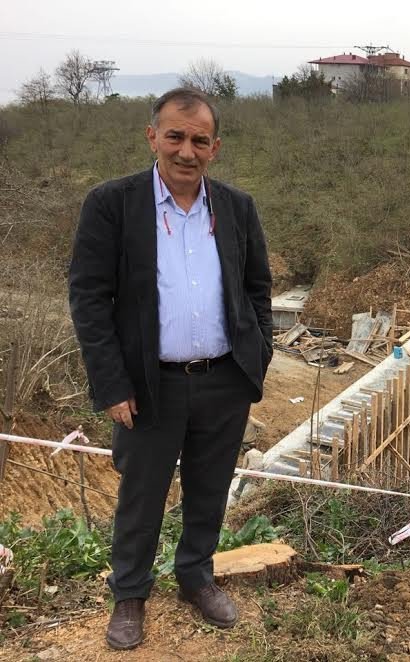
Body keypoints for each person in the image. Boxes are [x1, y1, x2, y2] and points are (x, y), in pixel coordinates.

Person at [68, 88, 273, 651]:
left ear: (216, 148)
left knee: (210, 488)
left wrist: (257, 356)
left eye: (200, 140)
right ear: (152, 136)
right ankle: (130, 592)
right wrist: (112, 383)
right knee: (142, 493)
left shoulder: (235, 207)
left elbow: (257, 288)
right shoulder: (113, 204)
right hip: (147, 384)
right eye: (176, 136)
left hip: (223, 378)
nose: (187, 151)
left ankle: (195, 577)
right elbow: (89, 298)